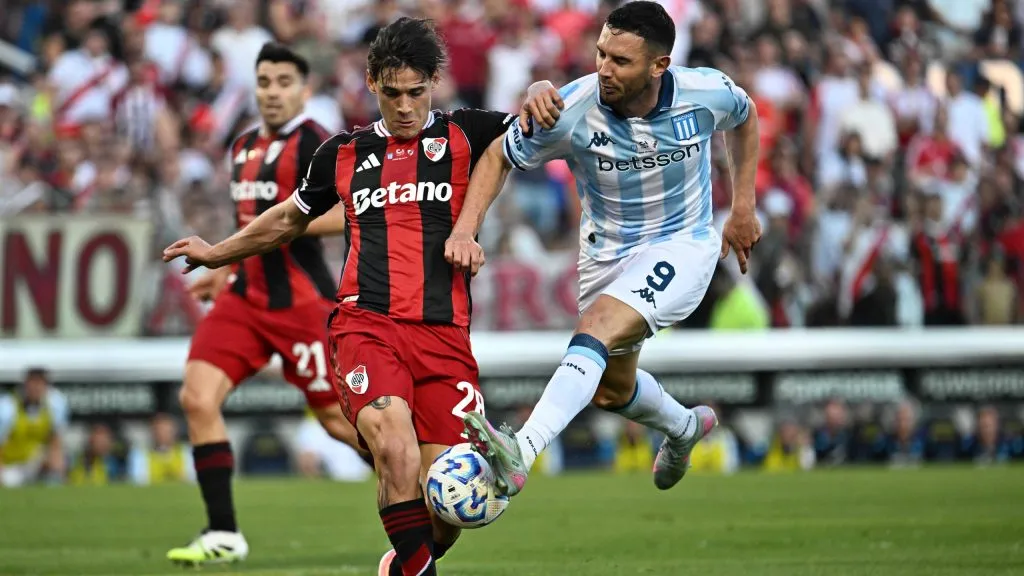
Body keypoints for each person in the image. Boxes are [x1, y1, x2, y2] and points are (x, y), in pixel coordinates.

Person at [162, 19, 561, 576]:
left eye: (416, 93)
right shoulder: (342, 153)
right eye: (392, 93)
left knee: (446, 507)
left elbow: (531, 124)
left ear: (434, 83)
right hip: (366, 326)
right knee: (392, 449)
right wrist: (219, 253)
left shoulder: (469, 132)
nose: (404, 106)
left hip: (445, 337)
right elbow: (285, 220)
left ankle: (407, 564)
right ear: (372, 83)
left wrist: (539, 90)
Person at [444, 0, 762, 497]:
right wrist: (465, 230)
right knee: (612, 391)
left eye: (621, 61)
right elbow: (497, 155)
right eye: (601, 54)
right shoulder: (571, 109)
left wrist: (743, 208)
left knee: (593, 329)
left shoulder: (706, 91)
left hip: (683, 245)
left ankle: (521, 452)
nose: (604, 70)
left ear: (660, 66)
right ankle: (682, 428)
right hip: (605, 257)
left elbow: (745, 117)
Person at [165, 42, 361, 566]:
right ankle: (223, 533)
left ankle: (422, 487)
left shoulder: (320, 142)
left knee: (341, 424)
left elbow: (349, 213)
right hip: (244, 299)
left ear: (304, 89)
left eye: (283, 83)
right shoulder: (242, 145)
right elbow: (245, 224)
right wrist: (225, 266)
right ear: (254, 87)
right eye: (264, 82)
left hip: (303, 303)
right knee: (197, 399)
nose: (272, 92)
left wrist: (285, 226)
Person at [0, 368, 69, 487]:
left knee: (56, 466)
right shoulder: (7, 407)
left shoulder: (56, 404)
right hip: (11, 465)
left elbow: (56, 441)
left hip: (36, 462)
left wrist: (57, 465)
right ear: (25, 385)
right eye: (32, 383)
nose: (35, 388)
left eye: (40, 384)